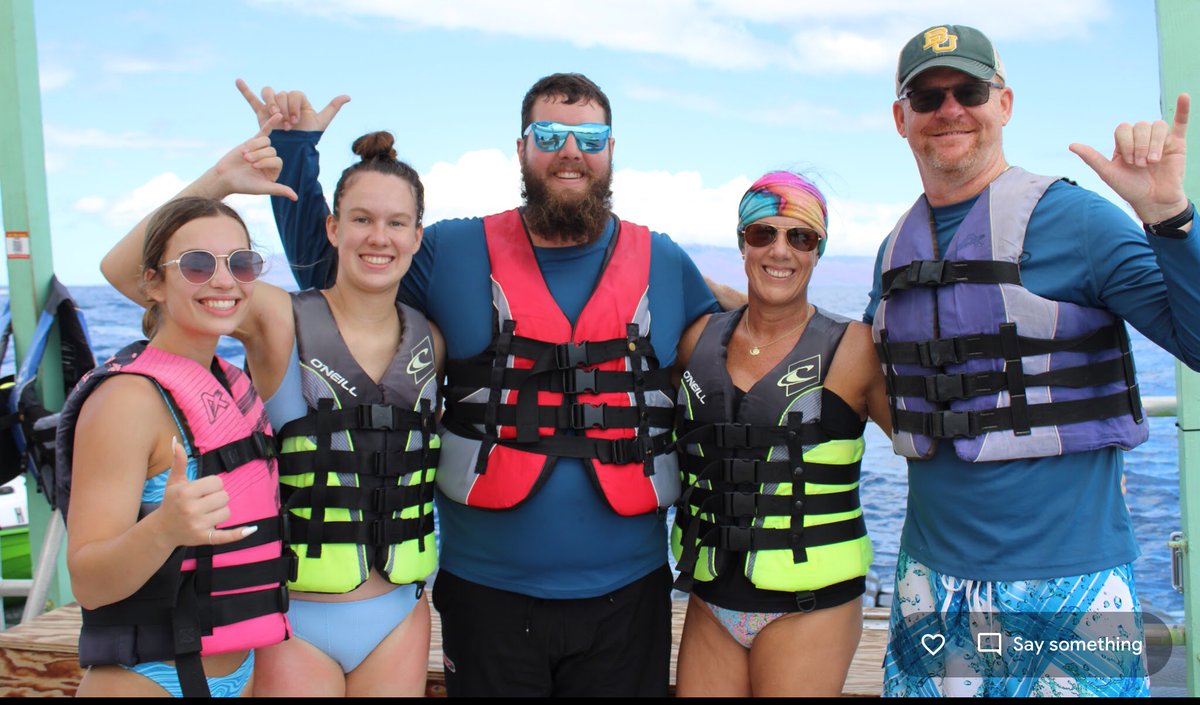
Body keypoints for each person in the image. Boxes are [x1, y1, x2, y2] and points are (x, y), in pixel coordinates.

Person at [242, 72, 721, 696]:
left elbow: (734, 353)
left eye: (589, 136)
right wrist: (298, 152)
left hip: (628, 600)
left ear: (610, 150)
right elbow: (334, 274)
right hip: (486, 598)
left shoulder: (667, 262)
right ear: (521, 149)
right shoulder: (448, 250)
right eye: (548, 134)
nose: (570, 150)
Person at [866, 24, 1200, 697]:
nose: (950, 108)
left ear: (1005, 102)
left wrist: (1169, 219)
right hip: (929, 581)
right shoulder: (891, 251)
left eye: (970, 89)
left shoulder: (1079, 220)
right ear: (902, 118)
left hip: (1070, 582)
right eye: (927, 96)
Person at [100, 119, 442, 697]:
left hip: (400, 617)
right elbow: (126, 272)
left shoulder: (434, 340)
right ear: (333, 228)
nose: (377, 237)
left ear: (416, 235)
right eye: (360, 219)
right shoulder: (275, 315)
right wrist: (220, 181)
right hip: (290, 621)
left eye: (395, 223)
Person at [670, 171, 891, 697]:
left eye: (801, 237)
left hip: (810, 607)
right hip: (709, 601)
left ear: (819, 251)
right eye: (762, 234)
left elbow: (927, 446)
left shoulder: (855, 348)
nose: (781, 250)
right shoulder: (697, 338)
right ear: (742, 243)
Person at [59, 197, 291, 697]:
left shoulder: (232, 387)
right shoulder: (126, 401)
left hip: (241, 673)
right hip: (148, 682)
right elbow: (89, 582)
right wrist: (164, 529)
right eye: (197, 264)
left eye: (241, 263)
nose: (224, 281)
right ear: (153, 284)